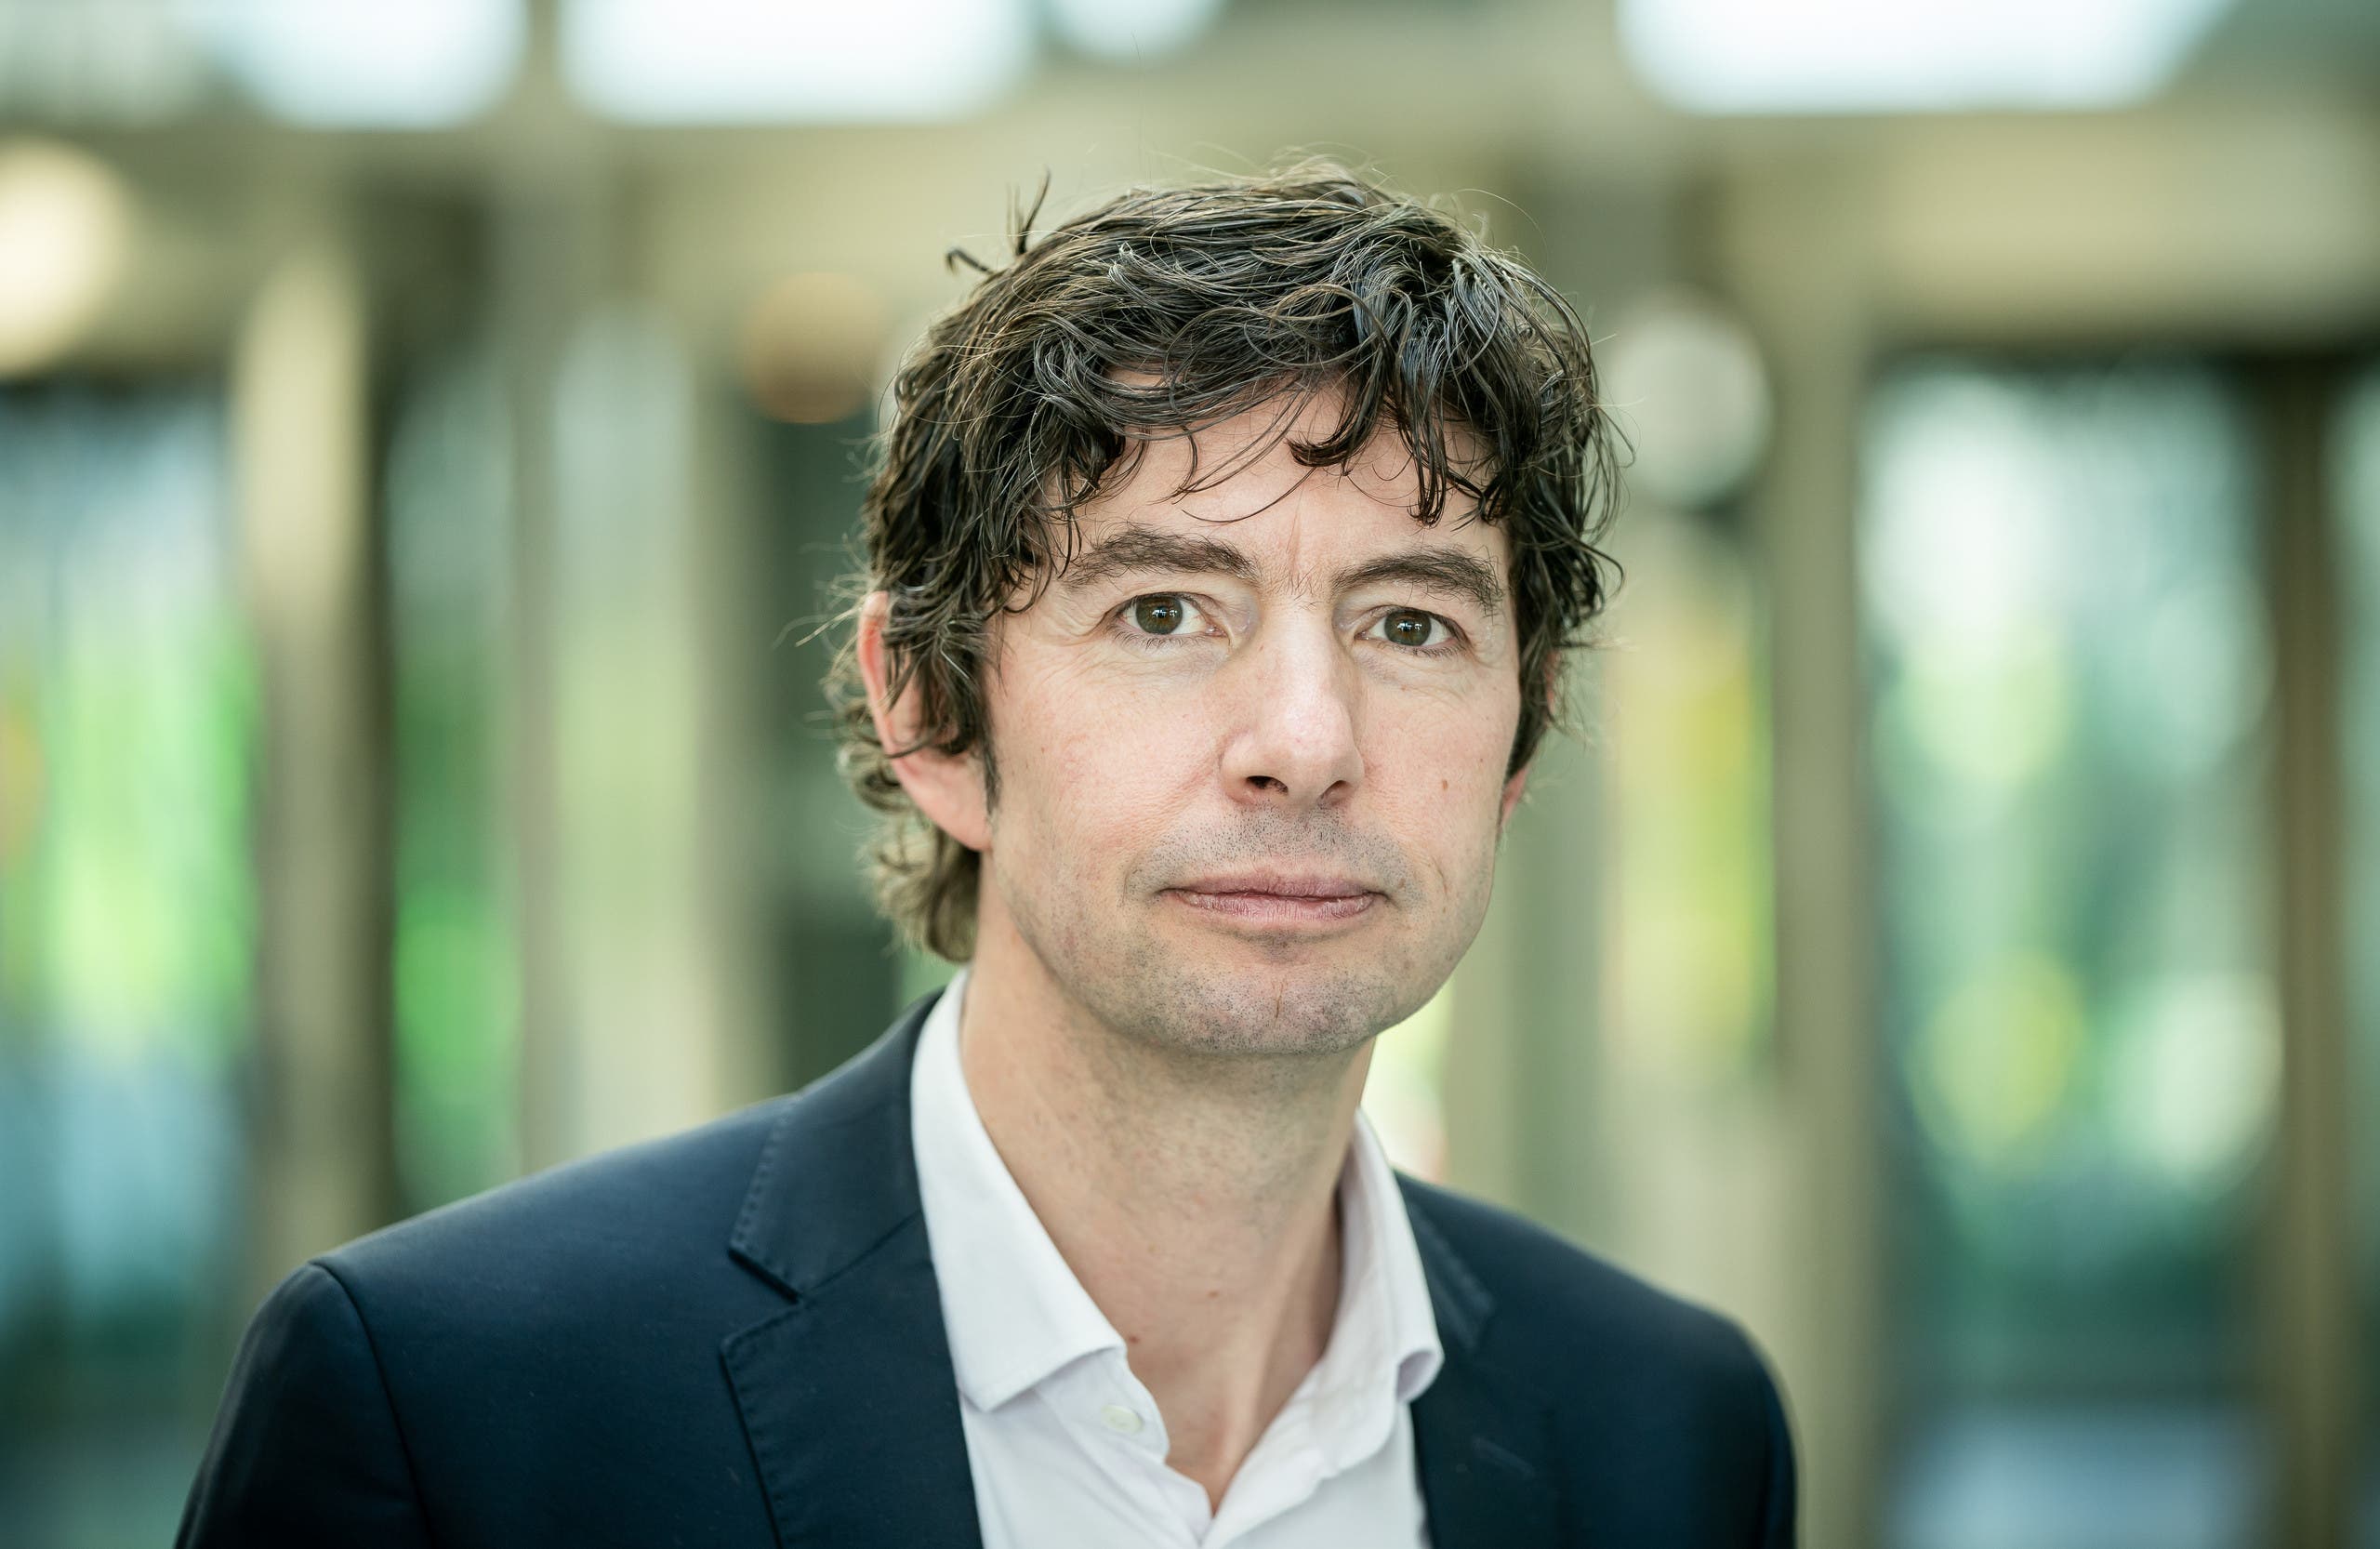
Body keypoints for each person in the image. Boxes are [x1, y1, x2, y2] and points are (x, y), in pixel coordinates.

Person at [178, 162, 1795, 1548]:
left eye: (1412, 620)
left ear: (1523, 728)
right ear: (932, 710)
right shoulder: (453, 1413)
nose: (1308, 737)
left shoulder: (1672, 1435)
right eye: (1164, 611)